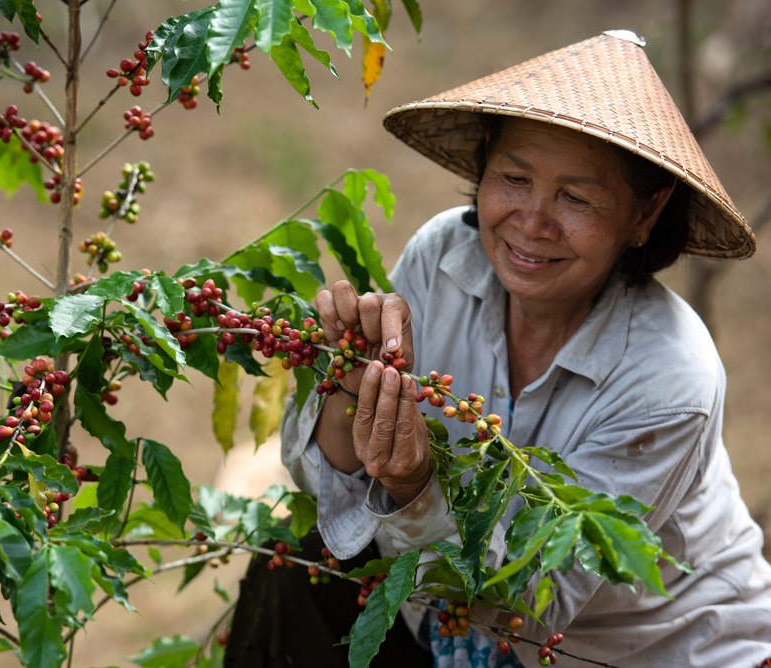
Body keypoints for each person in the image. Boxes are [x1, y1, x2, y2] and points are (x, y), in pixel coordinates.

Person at [281, 31, 771, 667]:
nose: (532, 222)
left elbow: (531, 600)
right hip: (452, 622)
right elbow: (328, 487)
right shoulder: (443, 261)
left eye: (576, 197)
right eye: (513, 178)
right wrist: (349, 388)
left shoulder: (669, 379)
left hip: (654, 651)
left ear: (645, 217)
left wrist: (411, 481)